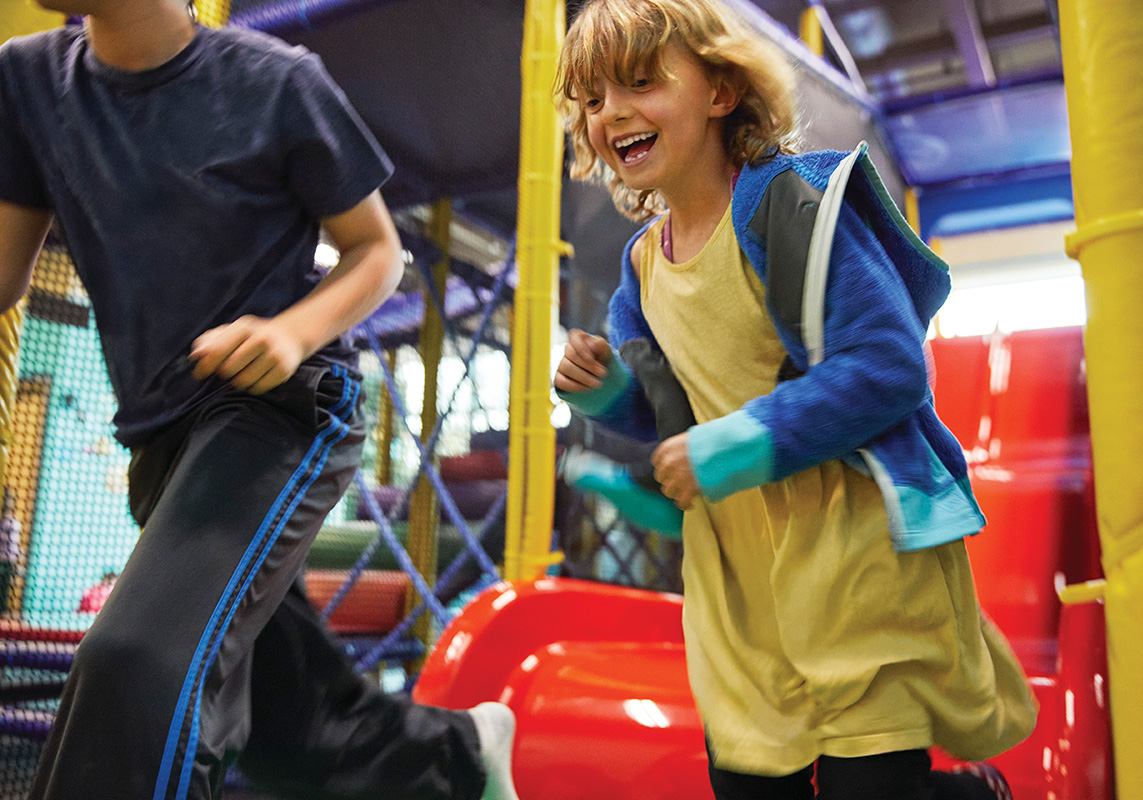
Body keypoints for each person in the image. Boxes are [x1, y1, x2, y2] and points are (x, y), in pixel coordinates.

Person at [0, 1, 517, 798]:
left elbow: (377, 253)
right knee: (289, 727)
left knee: (139, 665)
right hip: (163, 439)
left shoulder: (271, 82)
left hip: (282, 412)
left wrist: (290, 333)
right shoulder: (29, 80)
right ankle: (459, 755)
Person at [552, 1, 1037, 798]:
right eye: (595, 99)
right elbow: (670, 419)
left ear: (718, 92)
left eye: (640, 82)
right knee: (750, 781)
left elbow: (887, 367)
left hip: (852, 559)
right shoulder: (641, 273)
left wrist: (743, 442)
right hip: (738, 587)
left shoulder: (790, 210)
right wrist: (609, 394)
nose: (613, 114)